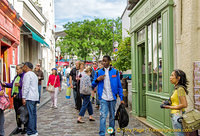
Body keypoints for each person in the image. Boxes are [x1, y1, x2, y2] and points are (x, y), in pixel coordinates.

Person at [92, 55, 124, 136]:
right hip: (103, 98)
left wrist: (121, 97)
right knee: (103, 116)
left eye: (105, 61)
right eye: (103, 61)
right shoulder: (98, 72)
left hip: (112, 98)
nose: (103, 62)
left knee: (112, 117)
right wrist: (97, 80)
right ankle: (102, 134)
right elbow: (92, 85)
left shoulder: (115, 72)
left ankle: (111, 133)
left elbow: (119, 86)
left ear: (109, 61)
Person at [2, 64, 26, 134]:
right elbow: (12, 85)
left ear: (22, 69)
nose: (17, 71)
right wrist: (5, 84)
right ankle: (19, 127)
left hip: (21, 97)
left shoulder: (24, 76)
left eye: (18, 69)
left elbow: (26, 85)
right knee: (17, 113)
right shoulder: (16, 76)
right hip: (16, 97)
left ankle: (25, 127)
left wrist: (20, 85)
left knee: (23, 113)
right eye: (16, 69)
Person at [163, 69, 188, 136]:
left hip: (178, 116)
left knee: (179, 134)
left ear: (178, 78)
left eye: (172, 75)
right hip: (175, 115)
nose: (170, 77)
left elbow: (184, 104)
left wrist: (169, 107)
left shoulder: (180, 89)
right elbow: (176, 101)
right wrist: (168, 103)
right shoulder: (176, 88)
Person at [22, 62, 39, 136]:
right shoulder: (34, 74)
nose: (23, 68)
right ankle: (34, 130)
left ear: (26, 67)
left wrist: (23, 97)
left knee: (30, 115)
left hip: (30, 97)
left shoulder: (27, 75)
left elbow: (26, 87)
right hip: (35, 97)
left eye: (23, 67)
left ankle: (31, 131)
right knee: (33, 114)